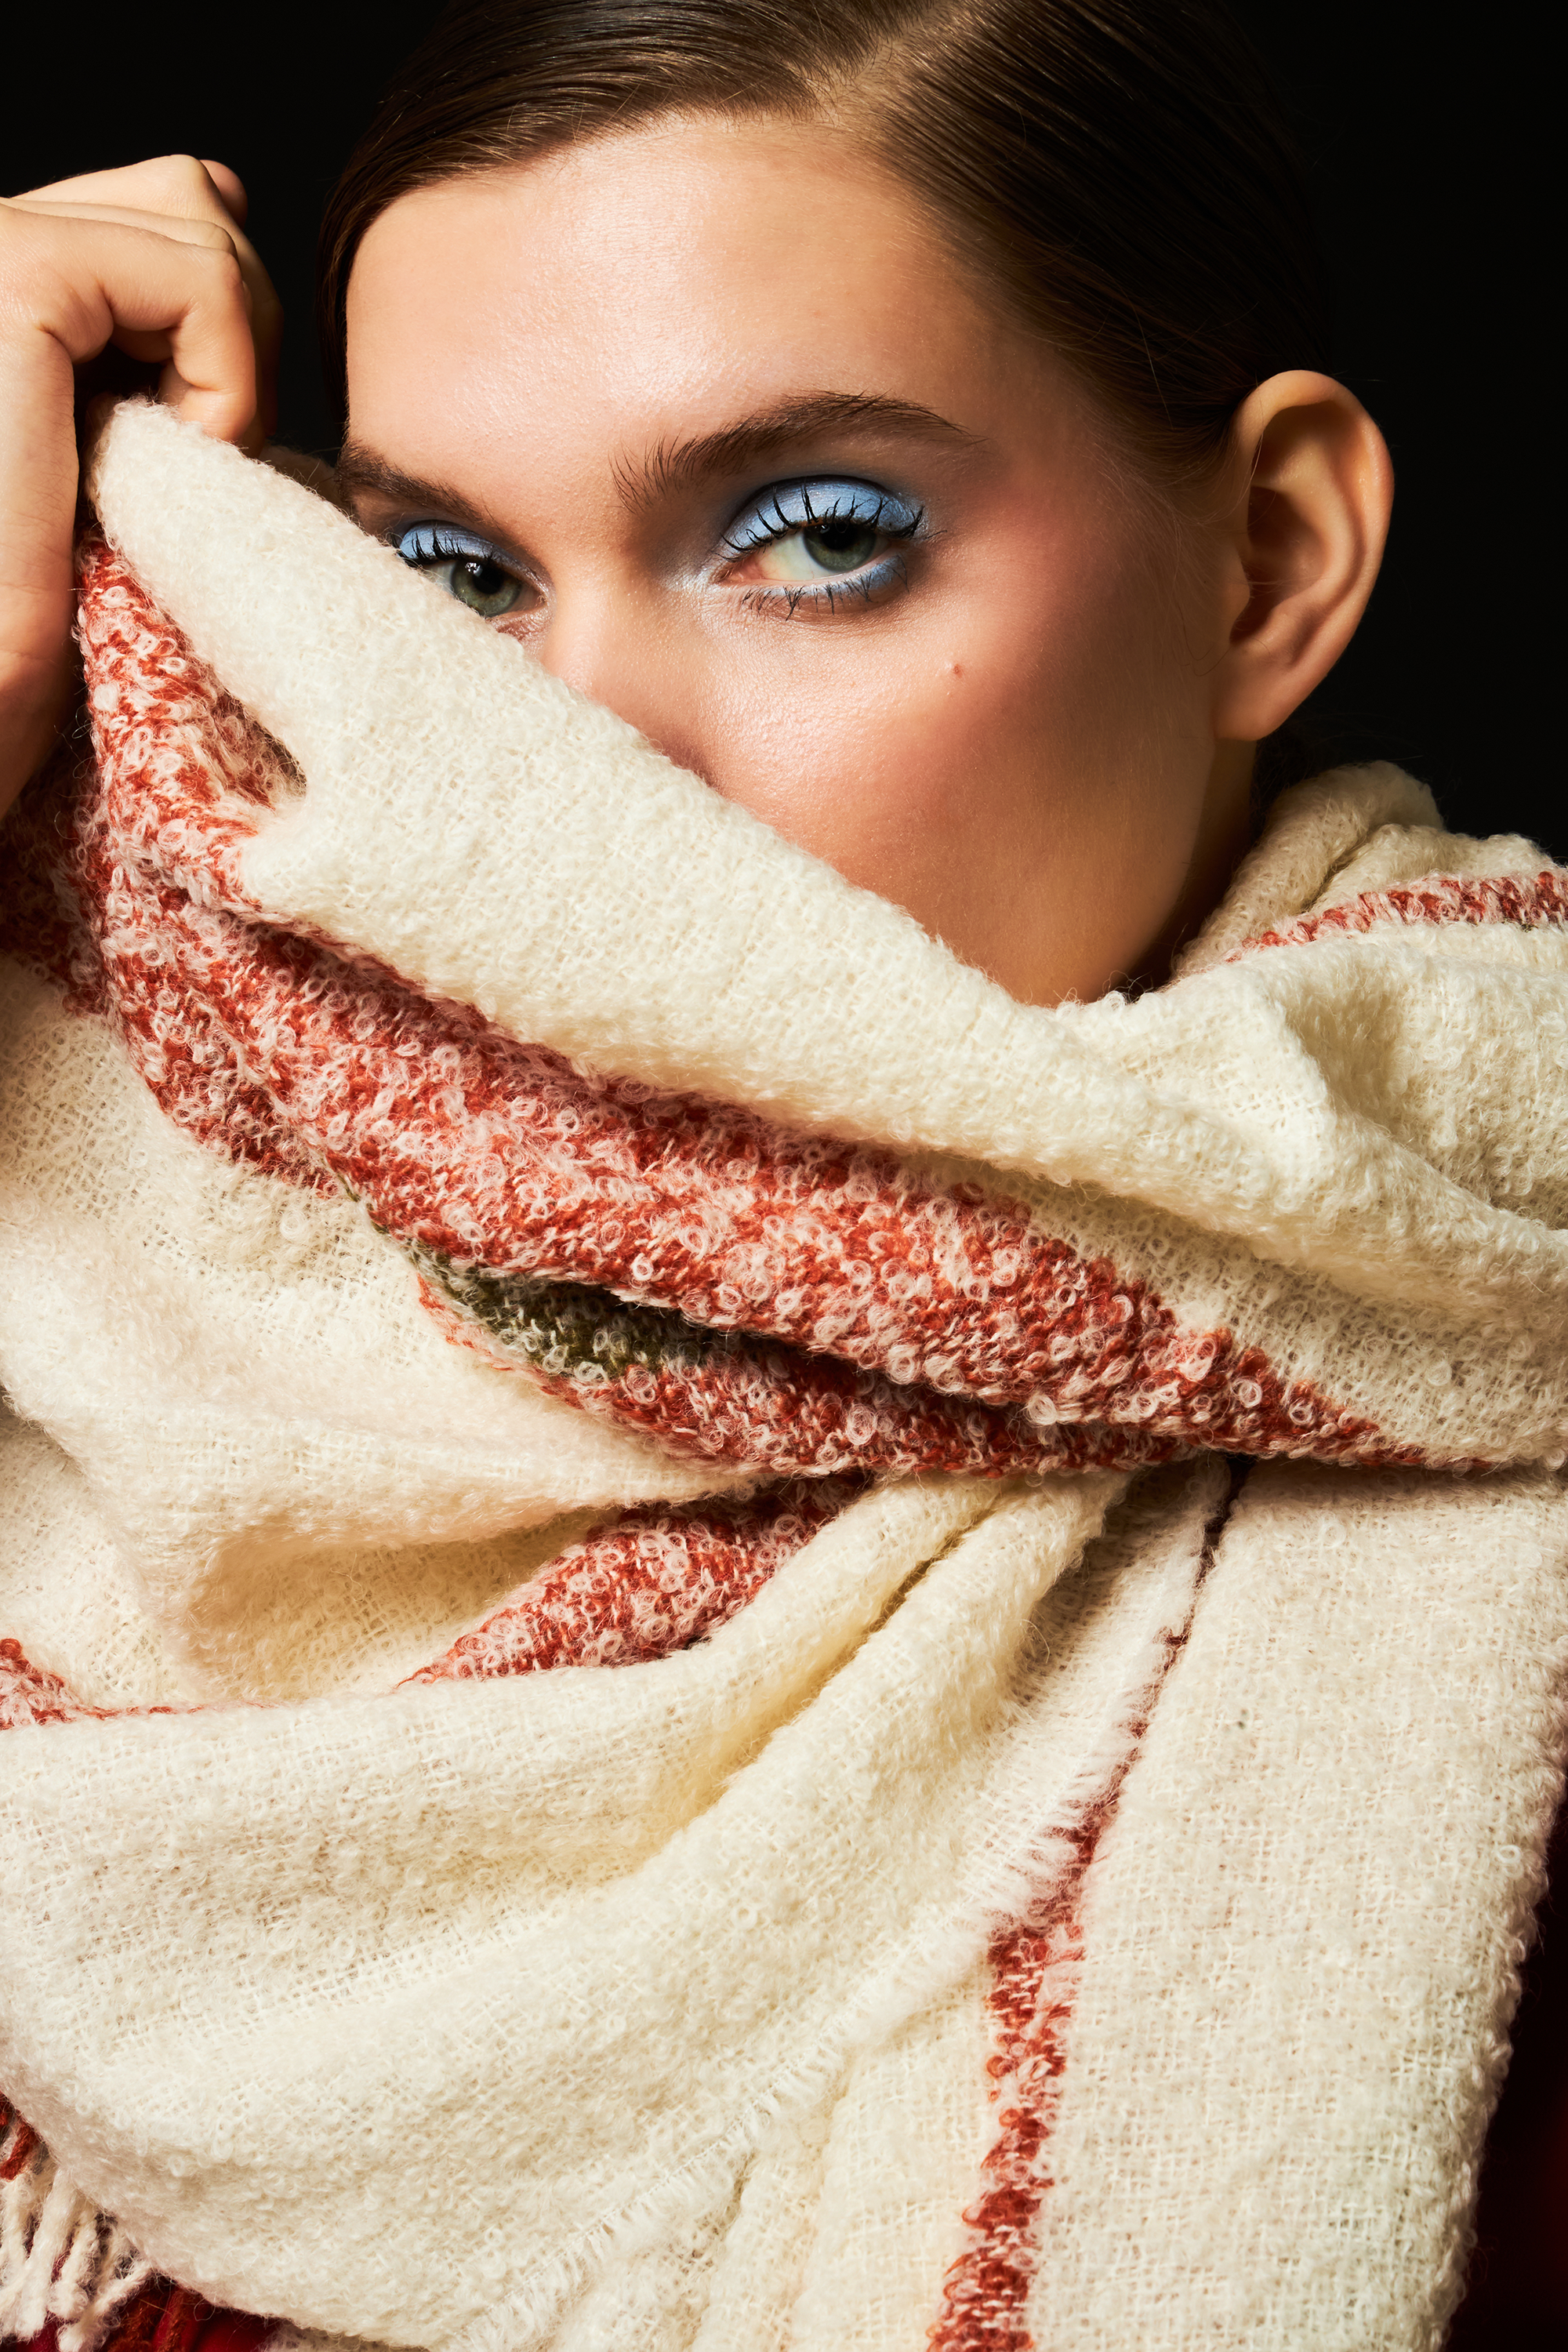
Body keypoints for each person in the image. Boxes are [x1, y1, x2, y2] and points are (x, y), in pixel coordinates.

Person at [0, 5, 1561, 2347]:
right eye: (449, 579)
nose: (561, 766)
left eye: (817, 536)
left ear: (1266, 562)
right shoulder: (132, 1330)